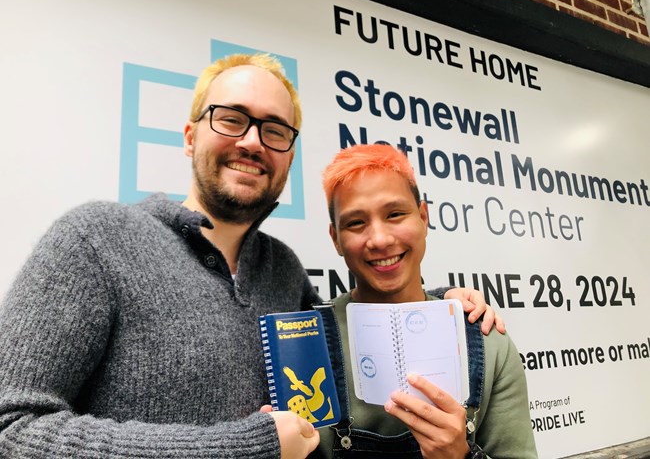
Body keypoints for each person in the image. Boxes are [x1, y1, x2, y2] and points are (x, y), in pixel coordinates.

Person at [0, 53, 499, 459]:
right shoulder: (96, 238)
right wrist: (244, 447)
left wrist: (437, 304)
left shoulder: (283, 271)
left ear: (288, 157)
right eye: (232, 119)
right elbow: (11, 430)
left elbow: (353, 323)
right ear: (191, 134)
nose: (253, 141)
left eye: (275, 130)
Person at [313, 144, 537, 458]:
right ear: (336, 238)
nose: (380, 239)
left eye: (394, 214)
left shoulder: (486, 340)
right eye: (355, 223)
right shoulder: (306, 343)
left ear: (423, 216)